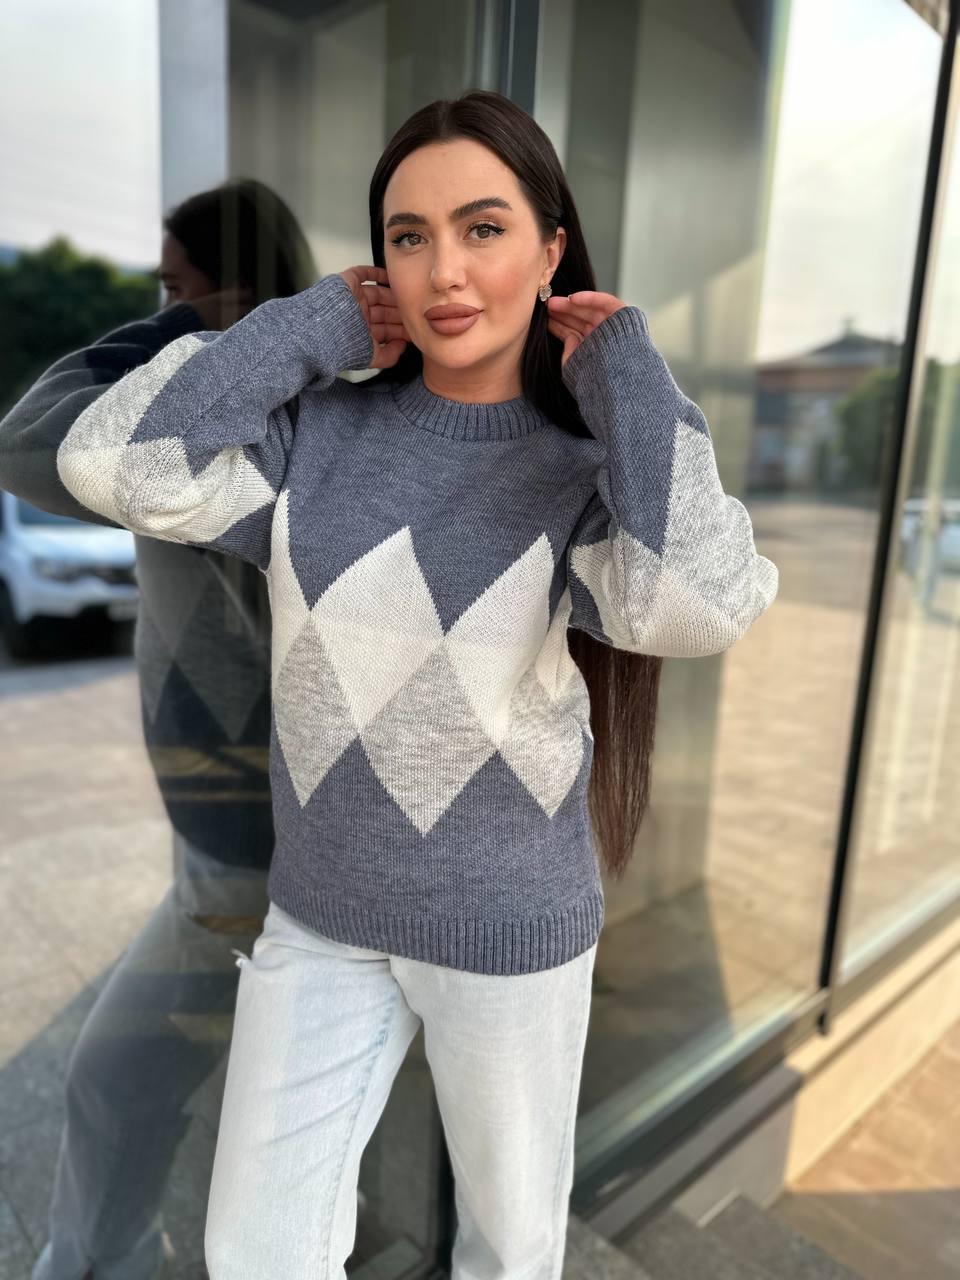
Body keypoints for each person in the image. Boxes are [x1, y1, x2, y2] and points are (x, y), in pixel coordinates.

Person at [53, 91, 779, 1279]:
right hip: (319, 918)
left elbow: (695, 601)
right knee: (254, 1250)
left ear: (551, 250)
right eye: (408, 235)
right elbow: (110, 461)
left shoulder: (581, 472)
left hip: (509, 928)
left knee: (509, 1250)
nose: (443, 269)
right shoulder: (314, 437)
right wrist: (309, 326)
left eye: (484, 228)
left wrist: (632, 386)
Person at [0, 178, 316, 1280]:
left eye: (178, 286)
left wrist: (198, 330)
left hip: (245, 839)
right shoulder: (230, 404)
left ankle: (97, 1266)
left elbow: (25, 441)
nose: (163, 308)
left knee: (118, 1079)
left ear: (232, 293)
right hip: (229, 825)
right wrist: (231, 323)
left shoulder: (215, 422)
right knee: (190, 1088)